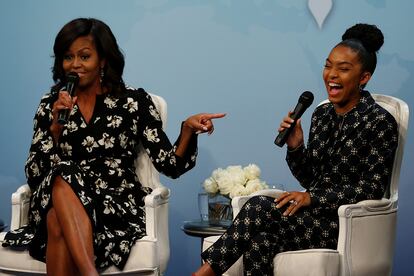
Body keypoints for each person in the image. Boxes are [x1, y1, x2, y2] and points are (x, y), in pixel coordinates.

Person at [1, 18, 225, 275]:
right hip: (59, 199)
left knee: (56, 222)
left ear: (103, 60)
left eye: (84, 56)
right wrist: (54, 130)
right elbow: (35, 175)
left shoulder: (133, 102)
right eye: (68, 57)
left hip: (113, 207)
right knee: (63, 175)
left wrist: (187, 129)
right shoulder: (51, 104)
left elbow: (170, 165)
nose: (75, 65)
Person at [194, 23, 398, 276]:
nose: (332, 75)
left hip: (346, 224)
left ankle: (203, 274)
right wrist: (296, 147)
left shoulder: (380, 122)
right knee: (261, 242)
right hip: (308, 219)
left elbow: (372, 188)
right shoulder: (322, 114)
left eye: (343, 69)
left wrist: (313, 197)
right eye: (327, 65)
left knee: (258, 206)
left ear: (363, 77)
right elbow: (311, 178)